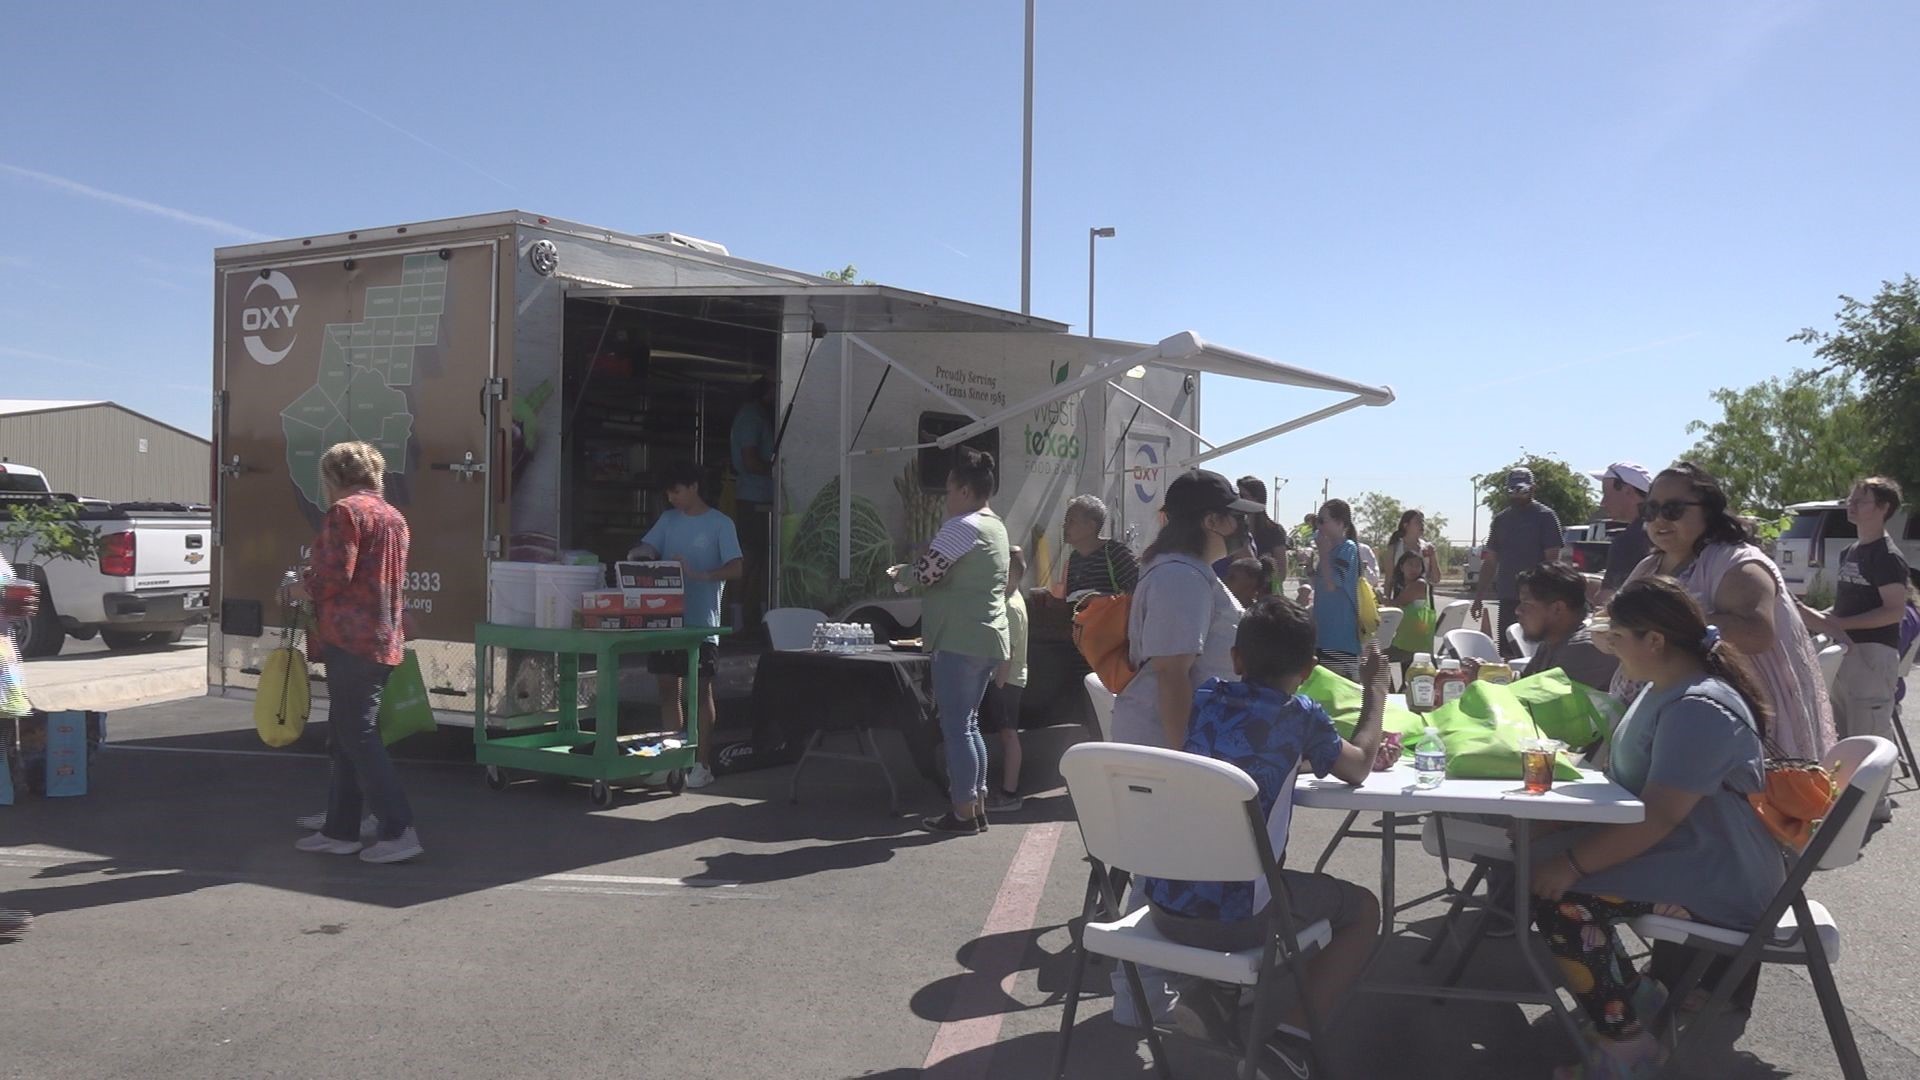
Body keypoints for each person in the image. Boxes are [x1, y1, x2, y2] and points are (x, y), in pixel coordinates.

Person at [1531, 577, 1785, 1079]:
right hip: (1689, 854)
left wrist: (1572, 862)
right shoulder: (1665, 686)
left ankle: (1627, 1046)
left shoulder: (1697, 707)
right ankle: (1635, 1000)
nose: (1608, 648)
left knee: (1559, 893)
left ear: (1655, 642)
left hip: (1718, 876)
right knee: (1541, 863)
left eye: (1617, 638)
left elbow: (1661, 814)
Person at [1139, 600, 1385, 1073]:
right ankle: (1289, 1041)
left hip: (1164, 906)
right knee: (1363, 909)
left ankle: (1211, 996)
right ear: (1310, 669)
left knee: (1238, 867)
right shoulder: (1301, 714)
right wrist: (1375, 692)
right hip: (1238, 919)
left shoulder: (1206, 696)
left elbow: (1251, 754)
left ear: (1236, 659)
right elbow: (1358, 767)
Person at [1106, 468, 1256, 1026]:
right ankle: (1138, 993)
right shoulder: (1181, 577)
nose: (1241, 525)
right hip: (1169, 745)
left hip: (1174, 742)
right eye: (1233, 516)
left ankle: (1145, 990)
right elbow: (1173, 674)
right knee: (1161, 867)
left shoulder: (1188, 572)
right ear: (1210, 521)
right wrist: (1186, 761)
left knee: (1165, 865)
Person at [1611, 462, 1834, 761]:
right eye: (1650, 510)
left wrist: (1668, 623)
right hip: (1660, 714)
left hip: (1726, 719)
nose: (1659, 519)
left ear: (1708, 510)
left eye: (1673, 509)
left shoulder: (1739, 563)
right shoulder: (1649, 565)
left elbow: (1757, 633)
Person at [289, 442, 422, 864]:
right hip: (381, 637)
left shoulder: (345, 513)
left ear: (332, 478)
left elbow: (334, 577)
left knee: (358, 735)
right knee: (348, 735)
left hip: (350, 638)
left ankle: (398, 828)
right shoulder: (393, 517)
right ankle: (340, 829)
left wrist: (298, 587)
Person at [904, 447, 1010, 836]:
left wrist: (902, 573)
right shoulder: (995, 525)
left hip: (959, 638)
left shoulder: (960, 526)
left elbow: (927, 573)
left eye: (949, 491)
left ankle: (963, 811)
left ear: (965, 491)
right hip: (988, 636)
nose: (945, 499)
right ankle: (976, 804)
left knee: (957, 727)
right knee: (970, 724)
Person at [1799, 477, 1909, 820]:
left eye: (1860, 500)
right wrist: (1817, 620)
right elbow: (1843, 608)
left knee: (1870, 730)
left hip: (1874, 655)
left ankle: (1874, 809)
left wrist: (1837, 625)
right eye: (1851, 499)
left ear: (1883, 509)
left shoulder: (1888, 555)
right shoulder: (1851, 551)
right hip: (1844, 654)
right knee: (1845, 731)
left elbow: (1894, 610)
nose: (1851, 505)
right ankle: (1848, 805)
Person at [628, 463, 744, 790]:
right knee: (667, 689)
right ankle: (670, 763)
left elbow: (736, 568)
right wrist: (643, 552)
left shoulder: (721, 524)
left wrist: (701, 575)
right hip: (666, 621)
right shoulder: (667, 520)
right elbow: (649, 545)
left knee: (700, 690)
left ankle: (701, 764)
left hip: (701, 624)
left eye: (676, 491)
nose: (672, 498)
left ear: (693, 486)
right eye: (668, 493)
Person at [1481, 562, 1619, 693]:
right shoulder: (1552, 641)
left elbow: (1533, 703)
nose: (1518, 610)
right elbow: (1525, 683)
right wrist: (1484, 674)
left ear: (1557, 609)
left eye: (1526, 603)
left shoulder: (1584, 649)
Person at [1473, 467, 1564, 660]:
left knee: (1535, 652)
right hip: (1508, 595)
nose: (1516, 494)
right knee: (1507, 650)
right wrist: (1479, 596)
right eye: (1512, 489)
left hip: (1537, 598)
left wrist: (1549, 595)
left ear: (1532, 489)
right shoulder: (1501, 519)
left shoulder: (1545, 516)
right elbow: (1490, 561)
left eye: (1521, 489)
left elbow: (1552, 560)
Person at [981, 545, 1030, 814]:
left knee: (1009, 734)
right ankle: (1009, 790)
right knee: (1007, 734)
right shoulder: (1014, 598)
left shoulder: (1010, 606)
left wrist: (997, 683)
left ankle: (1010, 793)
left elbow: (1006, 652)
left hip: (1007, 680)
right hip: (1011, 678)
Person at [730, 377, 778, 634]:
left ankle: (764, 617)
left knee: (765, 561)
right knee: (749, 557)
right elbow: (750, 461)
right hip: (753, 497)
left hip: (766, 496)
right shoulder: (750, 416)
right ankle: (736, 618)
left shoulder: (761, 414)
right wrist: (778, 472)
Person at [1310, 499, 1364, 680]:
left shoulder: (1347, 549)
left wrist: (1323, 553)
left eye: (1322, 520)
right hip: (1323, 635)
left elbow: (1333, 583)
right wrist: (1311, 565)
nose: (1319, 526)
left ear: (1340, 523)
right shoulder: (1330, 551)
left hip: (1340, 638)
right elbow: (1321, 585)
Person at [1591, 462, 1654, 607]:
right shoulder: (1665, 531)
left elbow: (1606, 601)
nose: (1602, 503)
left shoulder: (1628, 542)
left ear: (1628, 491)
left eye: (1606, 495)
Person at [1061, 494, 1139, 596]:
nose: (1065, 526)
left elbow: (1139, 592)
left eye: (1072, 521)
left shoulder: (1116, 553)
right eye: (1066, 521)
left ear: (1091, 526)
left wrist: (1102, 598)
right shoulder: (1075, 557)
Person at [1386, 551, 1436, 671]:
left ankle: (1384, 689)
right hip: (1410, 641)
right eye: (1410, 564)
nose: (1414, 568)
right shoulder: (1405, 586)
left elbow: (1396, 603)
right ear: (1402, 567)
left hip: (1411, 645)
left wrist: (1380, 595)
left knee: (1374, 657)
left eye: (1417, 565)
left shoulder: (1419, 584)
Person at [1386, 509, 1441, 590]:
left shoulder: (1427, 548)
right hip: (1400, 597)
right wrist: (1387, 600)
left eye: (1422, 522)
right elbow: (1389, 579)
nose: (1422, 525)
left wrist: (1432, 556)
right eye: (1417, 522)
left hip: (1423, 599)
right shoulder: (1394, 548)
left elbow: (1436, 579)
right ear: (1406, 525)